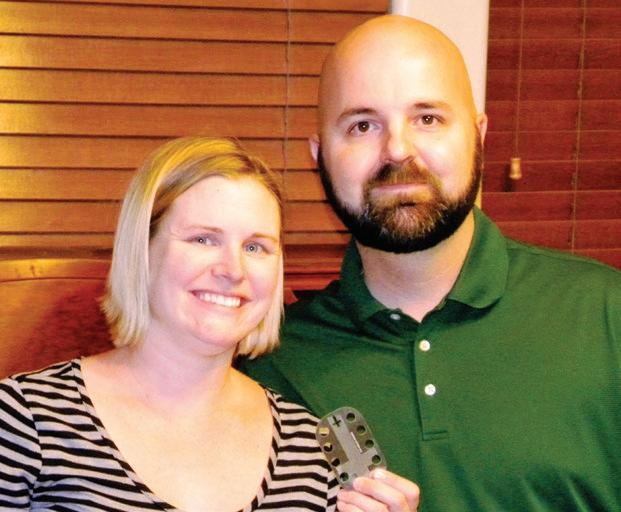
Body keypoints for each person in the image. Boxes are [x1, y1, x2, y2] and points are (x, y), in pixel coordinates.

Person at [241, 14, 621, 512]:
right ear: (319, 156)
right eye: (362, 125)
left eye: (428, 119)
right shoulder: (268, 366)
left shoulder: (606, 317)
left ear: (479, 134)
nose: (398, 149)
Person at [0, 137, 343, 511]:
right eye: (203, 239)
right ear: (143, 249)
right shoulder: (24, 420)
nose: (233, 270)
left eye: (255, 247)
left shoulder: (312, 447)